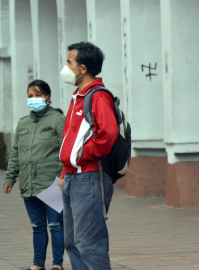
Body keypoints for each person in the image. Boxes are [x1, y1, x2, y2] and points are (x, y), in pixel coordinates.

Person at [58, 42, 118, 270]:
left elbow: (108, 134)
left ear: (82, 68)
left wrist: (82, 155)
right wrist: (66, 171)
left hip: (89, 178)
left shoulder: (98, 96)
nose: (65, 67)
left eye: (69, 62)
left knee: (89, 243)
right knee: (72, 242)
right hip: (73, 178)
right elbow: (69, 140)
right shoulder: (78, 97)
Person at [3, 80, 66, 270]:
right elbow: (16, 153)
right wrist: (10, 178)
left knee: (55, 225)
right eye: (30, 96)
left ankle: (57, 264)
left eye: (38, 95)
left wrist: (64, 176)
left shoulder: (57, 120)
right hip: (29, 182)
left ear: (48, 97)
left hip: (52, 182)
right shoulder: (23, 124)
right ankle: (38, 264)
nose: (34, 99)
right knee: (37, 226)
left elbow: (67, 149)